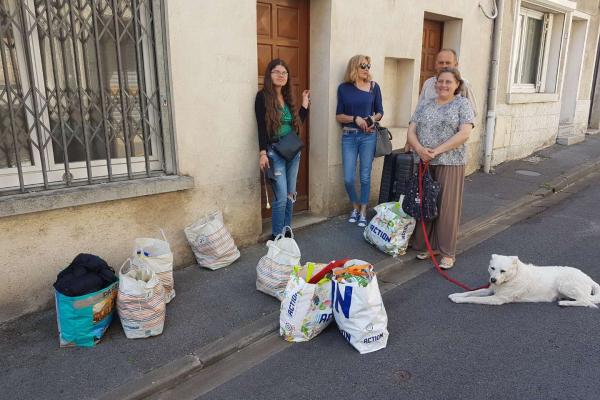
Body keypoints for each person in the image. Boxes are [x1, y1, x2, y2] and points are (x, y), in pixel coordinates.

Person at [407, 67, 475, 270]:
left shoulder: (462, 104)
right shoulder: (426, 104)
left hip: (450, 162)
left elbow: (464, 133)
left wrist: (436, 151)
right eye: (440, 81)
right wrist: (420, 149)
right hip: (424, 161)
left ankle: (447, 252)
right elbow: (411, 130)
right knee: (426, 204)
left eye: (448, 82)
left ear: (457, 85)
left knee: (446, 207)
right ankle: (428, 245)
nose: (443, 85)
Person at [255, 59, 310, 239]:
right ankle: (277, 236)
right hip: (274, 151)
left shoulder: (287, 98)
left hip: (292, 151)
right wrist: (262, 153)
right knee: (280, 198)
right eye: (276, 72)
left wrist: (304, 105)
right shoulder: (262, 97)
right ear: (269, 75)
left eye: (284, 73)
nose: (281, 75)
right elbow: (261, 127)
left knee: (290, 194)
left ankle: (286, 232)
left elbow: (297, 124)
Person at [336, 55, 384, 227]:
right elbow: (339, 116)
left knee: (364, 176)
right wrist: (355, 118)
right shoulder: (343, 88)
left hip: (368, 137)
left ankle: (363, 211)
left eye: (369, 66)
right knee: (348, 178)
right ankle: (355, 206)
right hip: (349, 136)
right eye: (363, 65)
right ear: (354, 67)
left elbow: (380, 112)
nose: (367, 69)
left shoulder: (373, 87)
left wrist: (370, 119)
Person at [404, 48, 477, 152]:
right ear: (435, 65)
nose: (444, 66)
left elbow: (471, 115)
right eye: (441, 63)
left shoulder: (463, 84)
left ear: (456, 65)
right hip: (424, 150)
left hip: (450, 152)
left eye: (448, 63)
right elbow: (417, 114)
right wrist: (409, 141)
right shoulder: (428, 84)